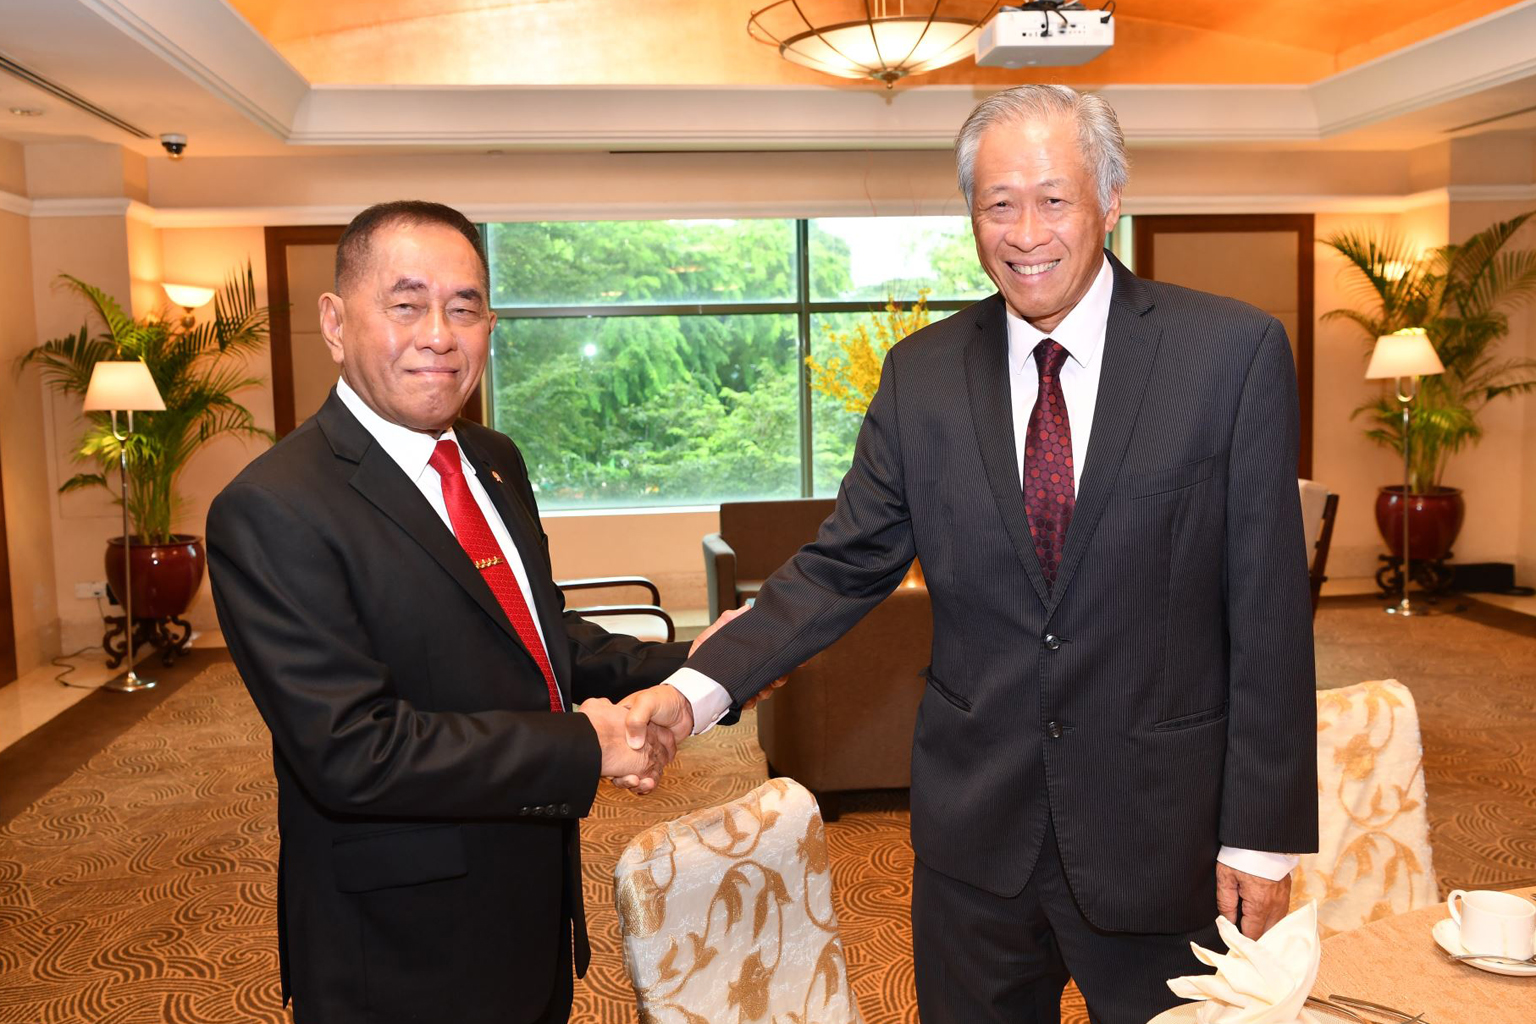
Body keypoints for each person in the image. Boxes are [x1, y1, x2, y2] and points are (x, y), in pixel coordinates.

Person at [623, 85, 1319, 1023]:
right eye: (998, 203)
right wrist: (693, 691)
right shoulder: (923, 374)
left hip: (1163, 835)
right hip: (975, 844)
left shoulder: (1229, 355)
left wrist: (1264, 841)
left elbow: (1270, 612)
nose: (1024, 231)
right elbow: (842, 564)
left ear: (1111, 198)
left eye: (1053, 198)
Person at [207, 200, 715, 1024]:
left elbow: (539, 639)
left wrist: (698, 662)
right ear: (335, 322)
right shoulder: (273, 507)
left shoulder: (493, 459)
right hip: (399, 950)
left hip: (527, 903)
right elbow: (353, 750)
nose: (439, 333)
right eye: (406, 304)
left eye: (465, 306)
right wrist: (589, 744)